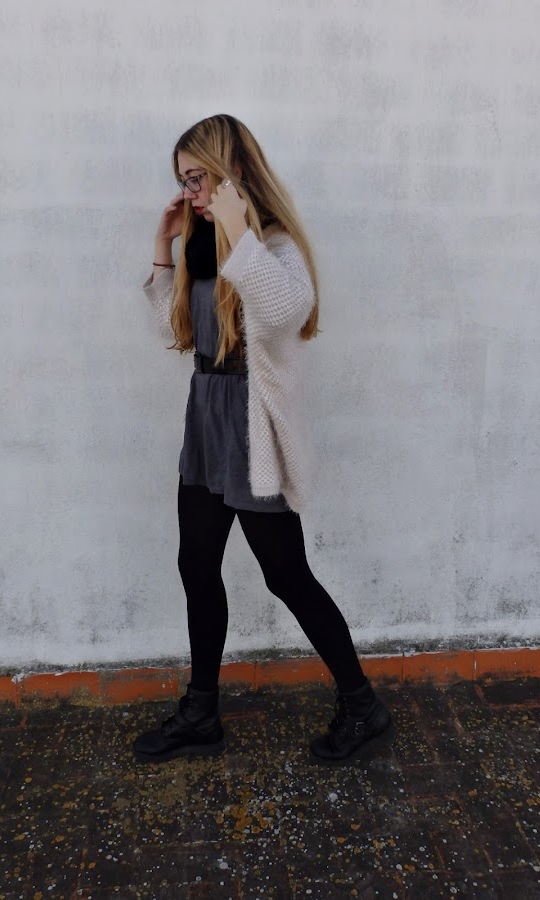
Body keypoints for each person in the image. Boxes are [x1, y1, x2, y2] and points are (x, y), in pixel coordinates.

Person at [134, 114, 393, 765]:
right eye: (183, 181)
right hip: (206, 420)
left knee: (286, 575)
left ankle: (363, 705)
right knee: (196, 564)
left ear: (234, 171)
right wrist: (164, 245)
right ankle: (201, 713)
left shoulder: (271, 247)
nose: (191, 192)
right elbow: (173, 332)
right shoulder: (203, 249)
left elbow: (284, 311)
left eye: (199, 178)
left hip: (253, 428)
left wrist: (237, 227)